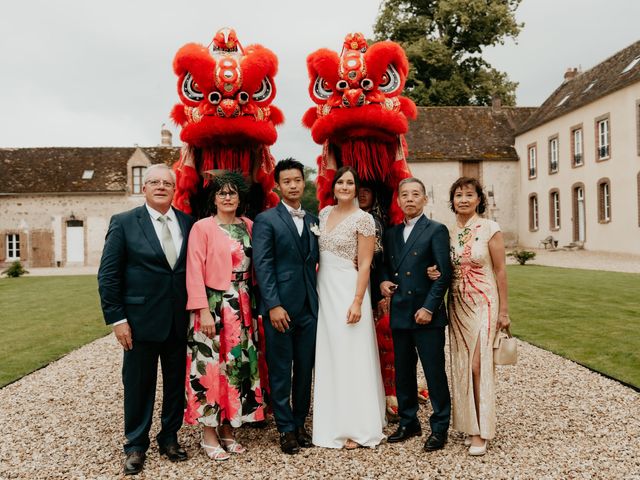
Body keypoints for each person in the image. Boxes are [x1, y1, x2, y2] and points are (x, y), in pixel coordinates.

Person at [98, 163, 194, 475]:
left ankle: (169, 437)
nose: (161, 186)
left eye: (167, 182)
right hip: (138, 321)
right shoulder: (124, 222)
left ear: (175, 189)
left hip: (179, 320)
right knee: (138, 384)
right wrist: (117, 319)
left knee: (175, 385)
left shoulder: (188, 223)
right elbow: (108, 275)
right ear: (144, 188)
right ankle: (136, 445)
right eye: (154, 181)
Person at [183, 172, 266, 461]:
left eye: (232, 193)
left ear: (240, 198)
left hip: (243, 303)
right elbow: (193, 270)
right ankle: (208, 433)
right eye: (222, 193)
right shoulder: (202, 228)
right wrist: (202, 309)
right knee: (209, 368)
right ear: (214, 198)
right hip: (214, 304)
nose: (228, 197)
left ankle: (230, 429)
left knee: (238, 367)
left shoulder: (250, 226)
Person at [427, 177, 511, 456]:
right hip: (458, 303)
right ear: (452, 201)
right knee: (462, 366)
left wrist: (505, 311)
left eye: (469, 195)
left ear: (479, 199)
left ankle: (481, 430)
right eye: (458, 195)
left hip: (485, 302)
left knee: (478, 365)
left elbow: (500, 270)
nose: (463, 199)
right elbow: (444, 267)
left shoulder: (490, 228)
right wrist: (434, 273)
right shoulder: (447, 232)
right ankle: (467, 423)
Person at [313, 166, 386, 449]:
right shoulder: (323, 214)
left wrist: (357, 300)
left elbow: (365, 263)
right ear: (333, 187)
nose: (345, 186)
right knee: (330, 354)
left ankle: (357, 425)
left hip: (348, 290)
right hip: (325, 291)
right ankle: (332, 421)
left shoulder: (364, 219)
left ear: (356, 189)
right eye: (340, 182)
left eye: (350, 183)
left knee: (351, 353)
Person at [252, 159, 320, 455]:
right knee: (281, 369)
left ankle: (300, 422)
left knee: (305, 369)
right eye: (287, 181)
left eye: (297, 180)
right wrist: (273, 305)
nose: (293, 185)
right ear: (278, 186)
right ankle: (284, 428)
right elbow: (263, 265)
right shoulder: (266, 220)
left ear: (304, 182)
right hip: (280, 308)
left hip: (310, 307)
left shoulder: (314, 220)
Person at [380, 177, 452, 452]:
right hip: (400, 312)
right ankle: (409, 422)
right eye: (405, 195)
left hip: (426, 315)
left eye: (415, 194)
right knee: (404, 374)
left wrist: (429, 308)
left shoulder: (436, 230)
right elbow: (385, 266)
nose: (409, 199)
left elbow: (443, 275)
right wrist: (382, 282)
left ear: (425, 199)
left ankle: (440, 426)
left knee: (434, 373)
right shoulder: (391, 234)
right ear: (398, 201)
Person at [358, 184, 398, 421]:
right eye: (359, 189)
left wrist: (383, 283)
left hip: (374, 287)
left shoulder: (377, 222)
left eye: (367, 190)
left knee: (385, 343)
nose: (363, 193)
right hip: (347, 286)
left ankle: (389, 393)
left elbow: (381, 260)